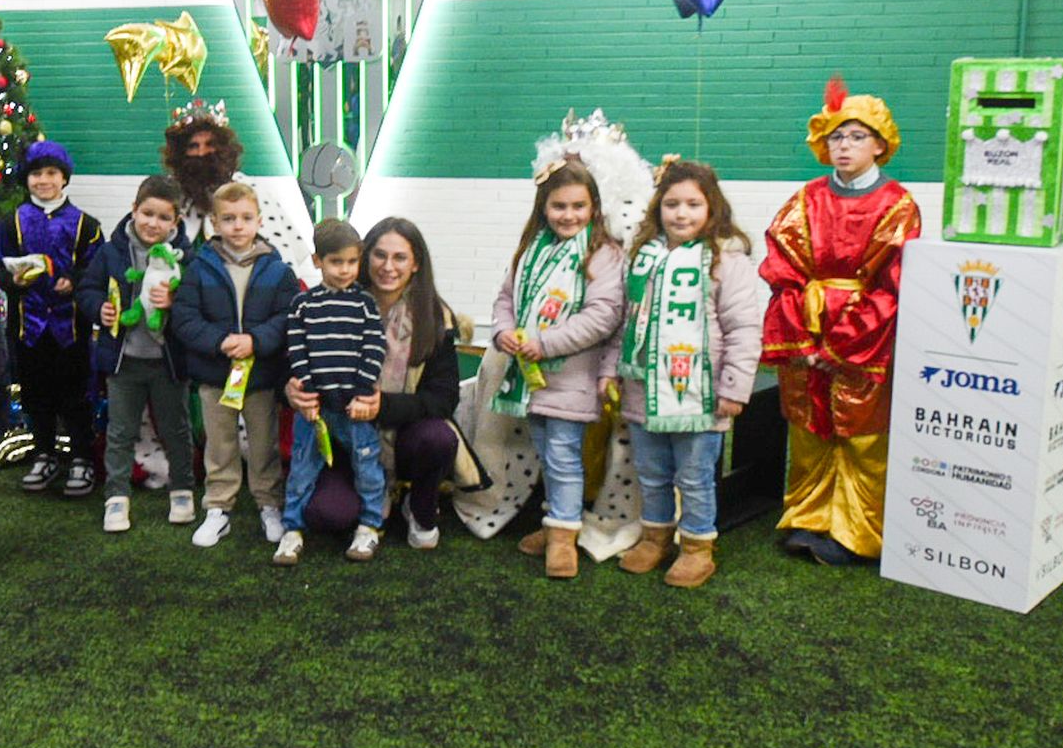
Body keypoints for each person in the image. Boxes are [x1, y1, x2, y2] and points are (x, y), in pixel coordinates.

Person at [760, 76, 920, 566]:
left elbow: (891, 287)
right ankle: (807, 520)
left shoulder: (898, 206)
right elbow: (783, 271)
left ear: (880, 144)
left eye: (855, 137)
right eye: (835, 137)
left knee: (862, 437)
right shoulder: (805, 200)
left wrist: (841, 346)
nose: (844, 146)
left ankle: (857, 533)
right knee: (809, 431)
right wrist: (801, 338)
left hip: (864, 344)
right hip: (807, 337)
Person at [606, 160, 763, 588]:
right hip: (643, 393)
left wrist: (735, 388)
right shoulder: (643, 259)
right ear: (658, 209)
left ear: (713, 208)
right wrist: (611, 371)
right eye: (672, 204)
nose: (682, 214)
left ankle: (697, 547)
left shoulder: (726, 262)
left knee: (694, 477)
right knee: (652, 472)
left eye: (694, 204)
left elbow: (745, 330)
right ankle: (655, 537)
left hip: (701, 396)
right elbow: (625, 322)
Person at [285, 217, 483, 550]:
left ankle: (419, 505)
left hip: (403, 434)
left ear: (416, 263)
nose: (388, 266)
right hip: (344, 431)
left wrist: (383, 406)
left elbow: (443, 398)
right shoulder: (330, 303)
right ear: (364, 257)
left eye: (400, 257)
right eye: (379, 255)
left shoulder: (435, 317)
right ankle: (362, 498)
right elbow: (292, 355)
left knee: (437, 438)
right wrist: (291, 390)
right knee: (327, 516)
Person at [492, 156, 625, 579]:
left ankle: (565, 537)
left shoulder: (604, 254)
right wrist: (504, 333)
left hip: (573, 377)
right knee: (548, 455)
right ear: (543, 208)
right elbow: (504, 301)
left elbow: (603, 316)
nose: (568, 215)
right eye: (559, 206)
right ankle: (557, 523)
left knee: (564, 456)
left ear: (593, 208)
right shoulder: (531, 251)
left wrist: (542, 344)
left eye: (578, 207)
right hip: (529, 381)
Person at [169, 181, 300, 547]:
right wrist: (218, 341)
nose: (237, 226)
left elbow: (289, 317)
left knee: (263, 444)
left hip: (259, 377)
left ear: (259, 220)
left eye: (245, 218)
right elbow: (184, 317)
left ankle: (268, 503)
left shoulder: (277, 270)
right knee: (220, 443)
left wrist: (256, 341)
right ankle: (218, 506)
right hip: (215, 376)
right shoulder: (199, 268)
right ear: (214, 222)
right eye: (228, 219)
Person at [77, 175, 195, 534]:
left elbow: (201, 300)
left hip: (168, 363)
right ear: (133, 210)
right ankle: (116, 496)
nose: (153, 224)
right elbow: (88, 288)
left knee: (176, 429)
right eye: (147, 213)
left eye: (163, 218)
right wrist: (100, 309)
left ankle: (183, 488)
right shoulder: (112, 251)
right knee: (120, 431)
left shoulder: (187, 258)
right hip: (122, 361)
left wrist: (176, 302)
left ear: (175, 222)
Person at [0, 141, 104, 496]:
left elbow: (97, 267)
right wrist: (12, 280)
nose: (43, 181)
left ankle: (82, 457)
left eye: (51, 173)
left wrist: (78, 280)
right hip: (28, 326)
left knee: (76, 394)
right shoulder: (10, 224)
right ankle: (44, 452)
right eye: (37, 174)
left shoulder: (86, 224)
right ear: (27, 179)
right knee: (36, 393)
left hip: (71, 327)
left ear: (64, 179)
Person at [274, 220, 388, 565]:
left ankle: (369, 526)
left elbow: (374, 349)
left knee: (367, 466)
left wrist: (362, 390)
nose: (345, 270)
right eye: (336, 262)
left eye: (352, 262)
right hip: (314, 409)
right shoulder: (302, 305)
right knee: (301, 468)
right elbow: (297, 350)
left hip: (354, 406)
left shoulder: (367, 305)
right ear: (318, 260)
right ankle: (291, 530)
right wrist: (308, 390)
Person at [161, 98, 314, 278]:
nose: (202, 153)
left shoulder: (251, 190)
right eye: (193, 146)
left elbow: (282, 259)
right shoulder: (168, 194)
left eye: (209, 145)